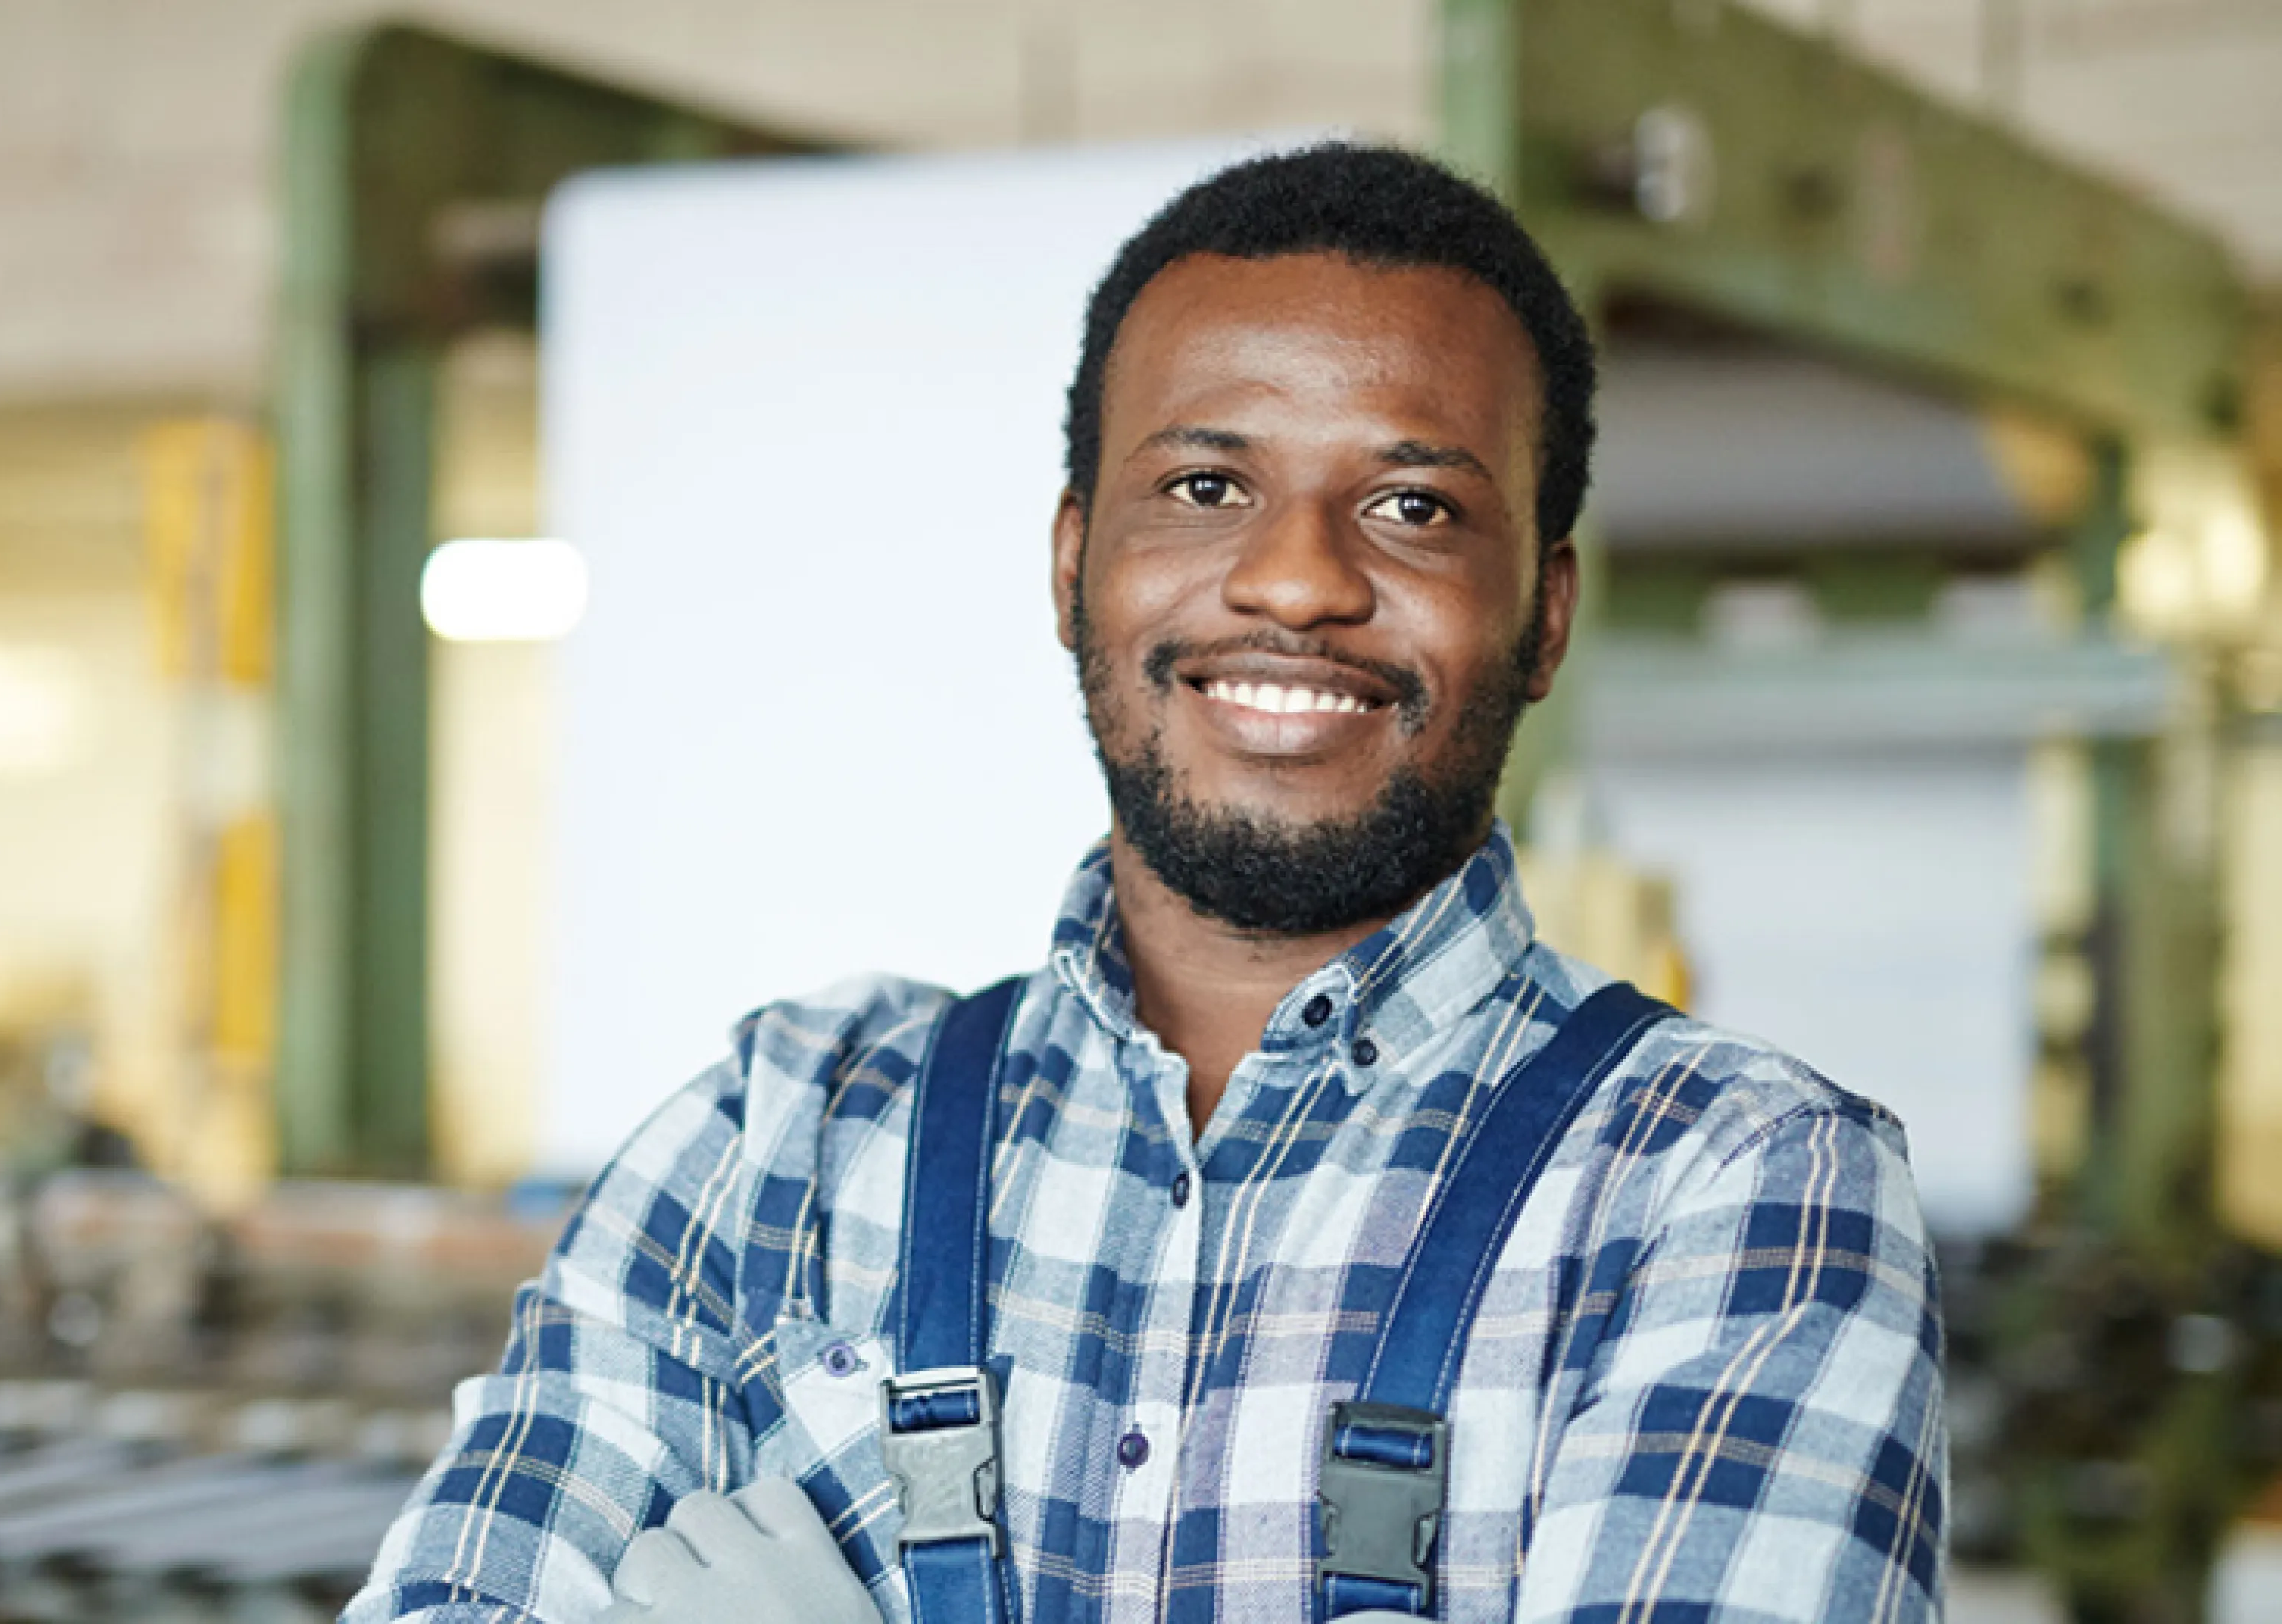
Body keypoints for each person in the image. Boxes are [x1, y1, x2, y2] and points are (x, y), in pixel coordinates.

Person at [344, 142, 1944, 1623]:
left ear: (1542, 618)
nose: (1299, 577)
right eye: (1205, 486)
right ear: (1071, 567)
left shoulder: (1737, 1197)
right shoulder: (776, 1143)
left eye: (1414, 507)